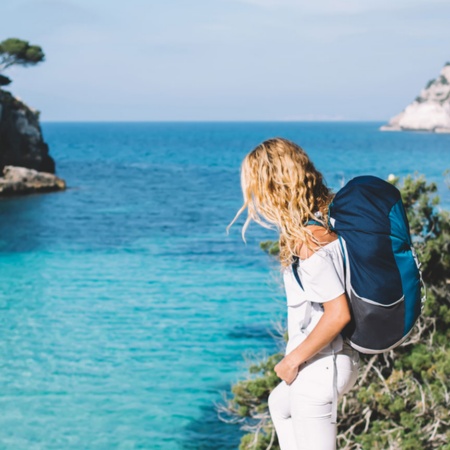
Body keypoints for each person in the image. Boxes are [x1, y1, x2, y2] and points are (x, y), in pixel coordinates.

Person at [228, 137, 359, 450]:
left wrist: (292, 361)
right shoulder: (330, 221)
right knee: (279, 404)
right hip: (330, 364)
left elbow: (338, 313)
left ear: (274, 187)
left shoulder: (309, 243)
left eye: (257, 188)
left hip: (321, 368)